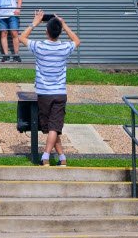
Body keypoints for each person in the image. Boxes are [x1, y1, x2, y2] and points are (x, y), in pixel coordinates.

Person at [18, 10, 80, 167]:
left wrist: (35, 22)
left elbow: (21, 38)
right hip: (59, 92)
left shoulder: (39, 46)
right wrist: (63, 24)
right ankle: (62, 158)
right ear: (59, 32)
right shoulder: (65, 48)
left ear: (46, 31)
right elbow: (77, 41)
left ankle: (45, 157)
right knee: (53, 127)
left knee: (51, 127)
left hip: (44, 93)